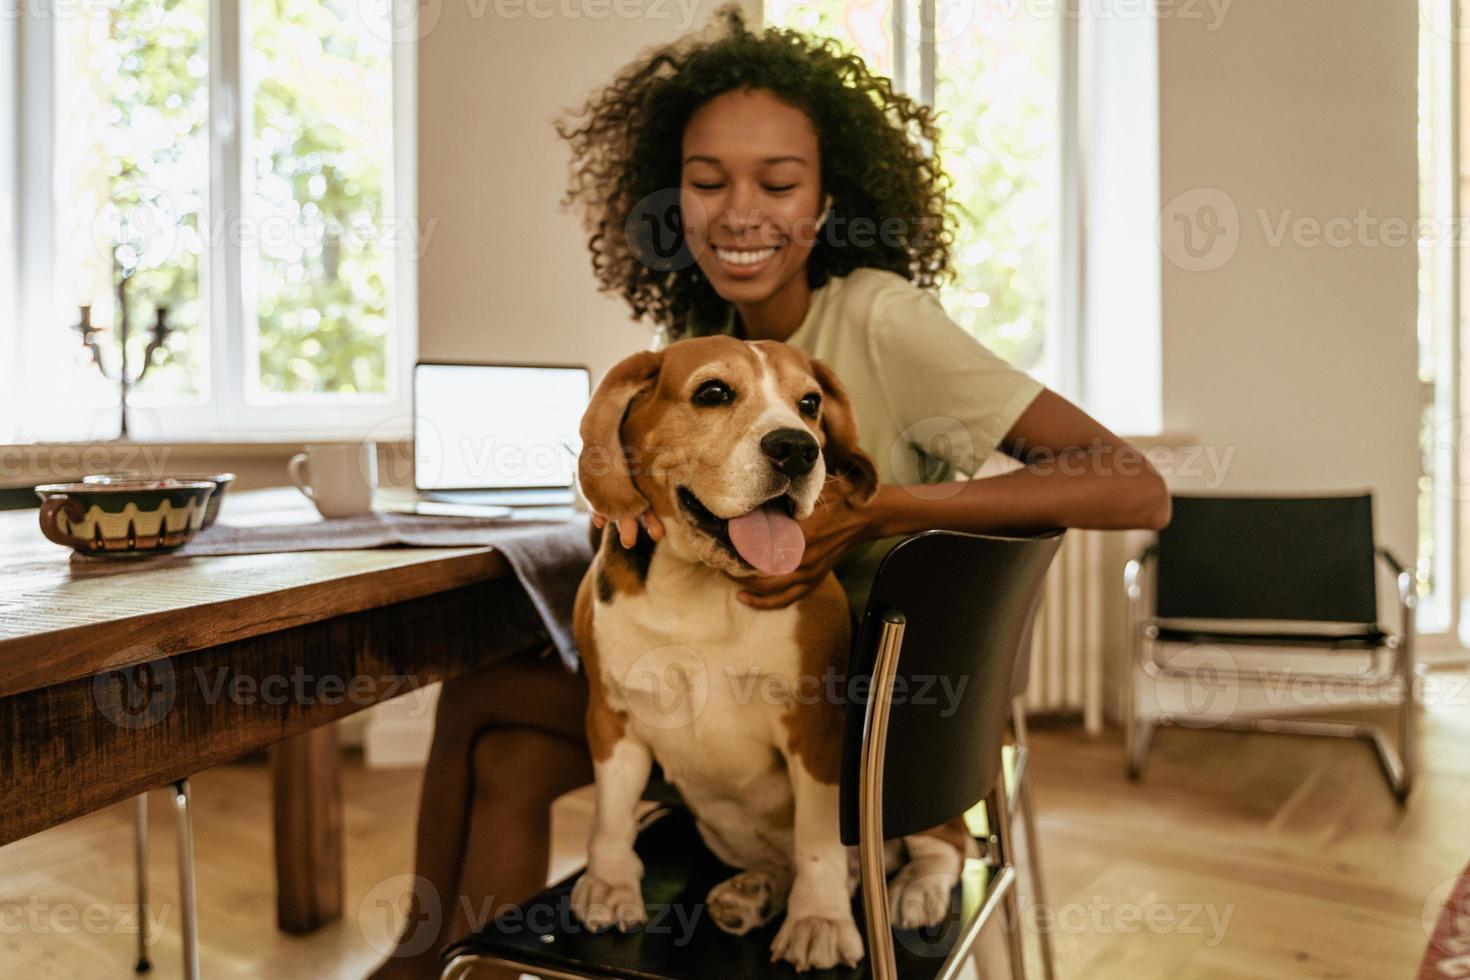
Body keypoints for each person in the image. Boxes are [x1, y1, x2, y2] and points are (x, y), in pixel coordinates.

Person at [369, 8, 1169, 978]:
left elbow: (1135, 486)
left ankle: (422, 968)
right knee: (491, 730)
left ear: (826, 205)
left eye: (778, 182)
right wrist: (627, 492)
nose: (740, 210)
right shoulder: (714, 332)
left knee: (486, 704)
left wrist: (891, 511)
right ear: (676, 203)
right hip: (716, 705)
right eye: (707, 182)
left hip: (867, 727)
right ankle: (451, 966)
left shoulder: (880, 318)